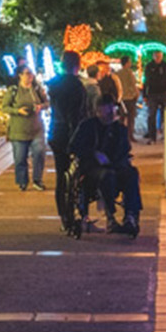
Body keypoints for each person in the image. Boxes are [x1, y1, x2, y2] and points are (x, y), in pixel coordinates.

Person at [71, 97, 142, 234]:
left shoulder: (119, 128)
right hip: (93, 168)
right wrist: (94, 154)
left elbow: (125, 149)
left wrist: (118, 160)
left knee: (132, 174)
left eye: (112, 109)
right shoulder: (87, 126)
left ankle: (130, 215)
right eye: (106, 109)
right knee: (107, 176)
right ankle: (111, 217)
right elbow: (74, 147)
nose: (110, 113)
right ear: (98, 111)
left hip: (115, 165)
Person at [47, 51, 90, 232]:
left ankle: (63, 215)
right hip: (73, 132)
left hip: (56, 131)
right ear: (77, 65)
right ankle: (80, 212)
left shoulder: (54, 85)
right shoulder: (77, 86)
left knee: (61, 175)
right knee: (81, 173)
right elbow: (78, 113)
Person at [6, 67, 49, 192]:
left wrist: (41, 106)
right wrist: (17, 111)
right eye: (27, 74)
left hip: (37, 128)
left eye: (31, 73)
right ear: (20, 75)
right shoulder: (13, 91)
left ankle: (37, 179)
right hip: (19, 129)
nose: (30, 76)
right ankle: (22, 181)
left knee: (39, 153)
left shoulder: (36, 89)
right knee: (20, 157)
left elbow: (47, 103)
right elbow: (4, 107)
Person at [143, 50, 166, 144]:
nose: (158, 58)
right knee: (151, 115)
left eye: (159, 56)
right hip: (152, 94)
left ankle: (165, 134)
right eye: (156, 56)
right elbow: (146, 81)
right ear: (153, 56)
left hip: (163, 93)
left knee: (165, 116)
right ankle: (152, 137)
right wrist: (145, 95)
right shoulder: (149, 66)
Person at [115, 59, 140, 140]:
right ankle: (130, 135)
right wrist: (137, 94)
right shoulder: (129, 73)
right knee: (131, 118)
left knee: (121, 118)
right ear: (127, 63)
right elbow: (133, 84)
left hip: (121, 98)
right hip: (130, 97)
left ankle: (120, 135)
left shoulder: (117, 73)